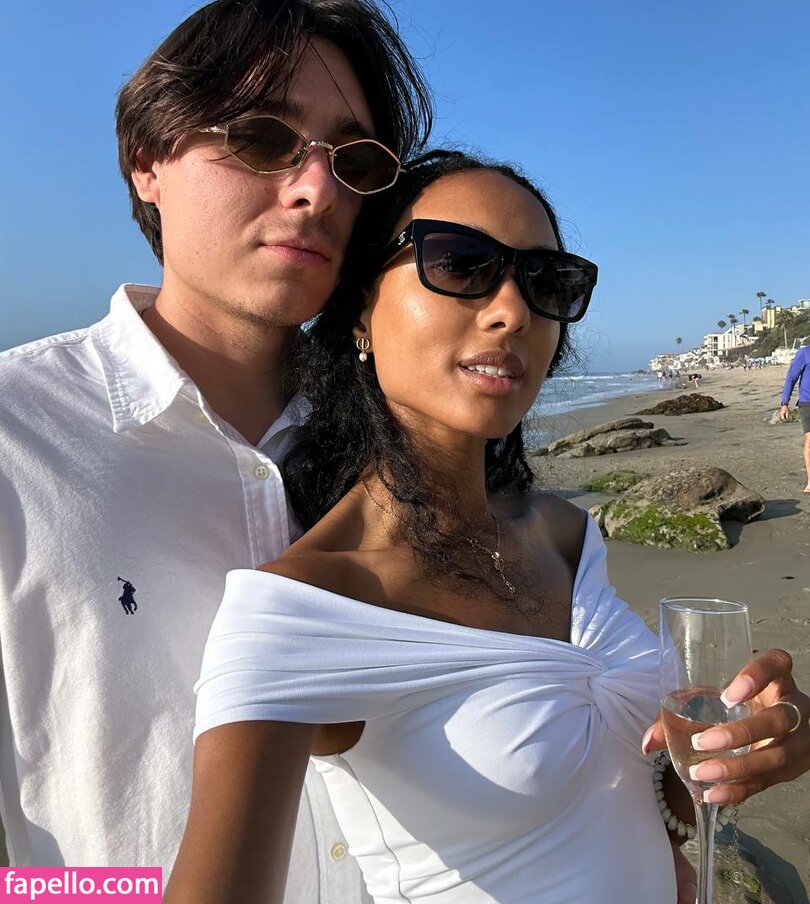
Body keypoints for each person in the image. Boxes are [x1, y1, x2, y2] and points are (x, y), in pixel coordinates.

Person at [166, 151, 810, 904]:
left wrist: (733, 759)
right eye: (459, 263)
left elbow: (613, 797)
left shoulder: (568, 536)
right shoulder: (302, 609)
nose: (514, 311)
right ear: (362, 310)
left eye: (546, 281)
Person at [0, 0, 432, 901]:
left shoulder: (402, 448)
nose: (316, 189)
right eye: (264, 139)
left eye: (354, 161)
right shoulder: (16, 438)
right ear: (147, 162)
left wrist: (683, 776)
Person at [779, 343, 810, 493]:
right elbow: (791, 378)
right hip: (807, 403)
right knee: (809, 440)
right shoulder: (805, 353)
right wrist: (784, 403)